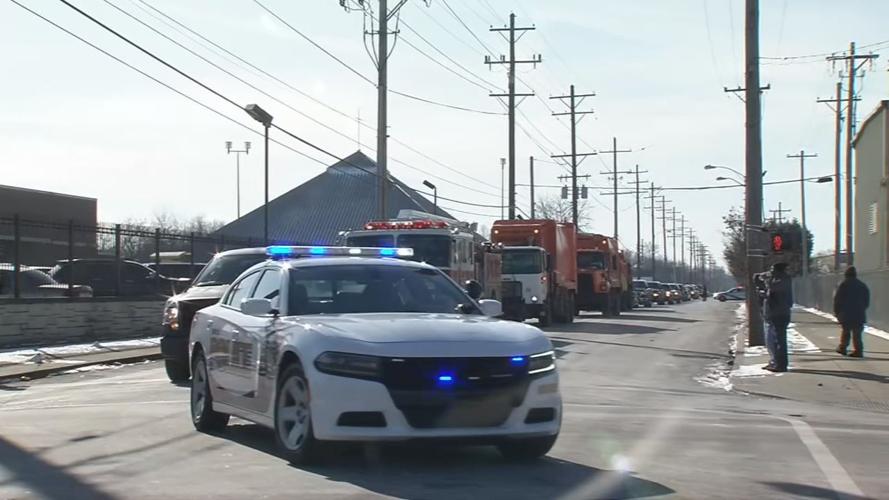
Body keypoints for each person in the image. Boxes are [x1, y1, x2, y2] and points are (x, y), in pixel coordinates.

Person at [833, 266, 871, 358]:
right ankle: (858, 350)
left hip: (846, 313)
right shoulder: (862, 285)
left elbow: (837, 300)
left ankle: (843, 348)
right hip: (859, 313)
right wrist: (862, 308)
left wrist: (837, 312)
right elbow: (867, 300)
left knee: (846, 331)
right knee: (857, 333)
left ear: (846, 274)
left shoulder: (843, 284)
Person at [765, 263, 793, 372]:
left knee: (780, 341)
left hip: (780, 313)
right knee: (777, 341)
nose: (771, 271)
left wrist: (767, 281)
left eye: (772, 269)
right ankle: (777, 363)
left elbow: (773, 289)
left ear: (778, 270)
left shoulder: (783, 280)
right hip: (777, 313)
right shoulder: (779, 279)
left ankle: (781, 365)